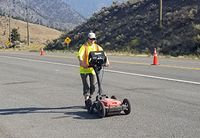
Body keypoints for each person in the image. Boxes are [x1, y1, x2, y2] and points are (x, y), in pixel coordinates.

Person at [77, 32, 109, 101]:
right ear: (88, 39)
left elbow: (104, 54)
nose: (92, 40)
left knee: (93, 86)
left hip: (92, 69)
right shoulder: (84, 47)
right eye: (91, 39)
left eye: (94, 39)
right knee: (86, 86)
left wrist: (107, 61)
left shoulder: (97, 47)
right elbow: (80, 56)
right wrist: (82, 63)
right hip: (84, 69)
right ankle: (87, 99)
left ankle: (90, 97)